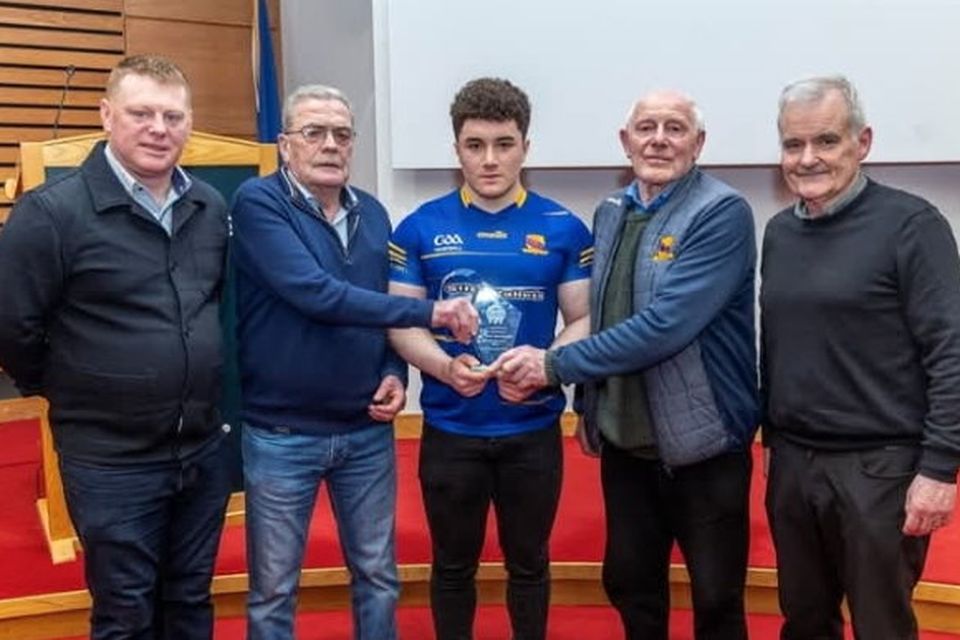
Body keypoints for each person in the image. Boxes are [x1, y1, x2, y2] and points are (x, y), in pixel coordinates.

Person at [494, 89, 757, 639]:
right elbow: (606, 308)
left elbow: (665, 326)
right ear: (625, 140)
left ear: (699, 143)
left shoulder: (721, 212)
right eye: (646, 127)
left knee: (716, 597)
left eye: (675, 128)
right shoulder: (613, 210)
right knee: (631, 585)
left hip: (703, 444)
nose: (658, 139)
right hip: (627, 446)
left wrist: (555, 365)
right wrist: (592, 406)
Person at [231, 84, 477, 640]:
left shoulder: (373, 212)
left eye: (342, 134)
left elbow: (384, 313)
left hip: (366, 432)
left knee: (378, 576)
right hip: (281, 434)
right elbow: (315, 293)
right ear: (284, 144)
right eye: (313, 132)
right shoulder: (259, 203)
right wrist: (433, 314)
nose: (330, 145)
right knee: (273, 591)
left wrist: (396, 374)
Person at [0, 55, 230, 639]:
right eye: (141, 113)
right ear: (107, 115)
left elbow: (211, 305)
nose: (159, 128)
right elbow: (13, 328)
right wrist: (78, 387)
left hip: (200, 453)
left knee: (190, 600)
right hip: (110, 460)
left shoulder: (209, 206)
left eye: (173, 115)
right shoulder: (50, 215)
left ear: (190, 123)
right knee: (125, 613)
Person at [387, 77, 593, 640]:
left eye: (504, 143)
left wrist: (544, 364)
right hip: (452, 427)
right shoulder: (419, 228)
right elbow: (401, 322)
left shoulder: (563, 228)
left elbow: (585, 319)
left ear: (526, 145)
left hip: (533, 429)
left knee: (530, 564)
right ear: (456, 149)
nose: (490, 159)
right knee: (453, 566)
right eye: (475, 145)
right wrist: (443, 367)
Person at [759, 75, 960, 639]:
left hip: (882, 470)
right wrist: (774, 439)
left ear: (862, 142)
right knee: (804, 619)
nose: (807, 158)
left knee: (881, 625)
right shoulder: (778, 233)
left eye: (825, 141)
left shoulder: (913, 226)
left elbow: (951, 349)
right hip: (795, 466)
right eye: (793, 145)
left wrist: (940, 468)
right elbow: (778, 343)